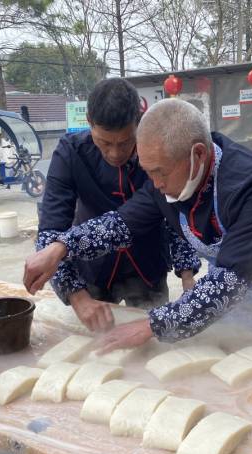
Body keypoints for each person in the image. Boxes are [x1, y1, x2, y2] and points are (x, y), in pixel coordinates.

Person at [24, 98, 252, 351]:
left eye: (160, 172)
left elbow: (225, 285)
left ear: (198, 155)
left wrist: (151, 325)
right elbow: (120, 223)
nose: (155, 183)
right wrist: (61, 247)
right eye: (148, 172)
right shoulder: (167, 180)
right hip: (245, 291)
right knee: (244, 360)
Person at [38, 78, 200, 332]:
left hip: (147, 265)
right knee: (97, 347)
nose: (115, 153)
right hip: (93, 272)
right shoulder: (70, 153)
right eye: (104, 142)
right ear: (89, 121)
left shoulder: (158, 151)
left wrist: (187, 273)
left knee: (155, 343)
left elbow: (175, 209)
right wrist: (77, 297)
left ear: (139, 121)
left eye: (125, 142)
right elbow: (50, 233)